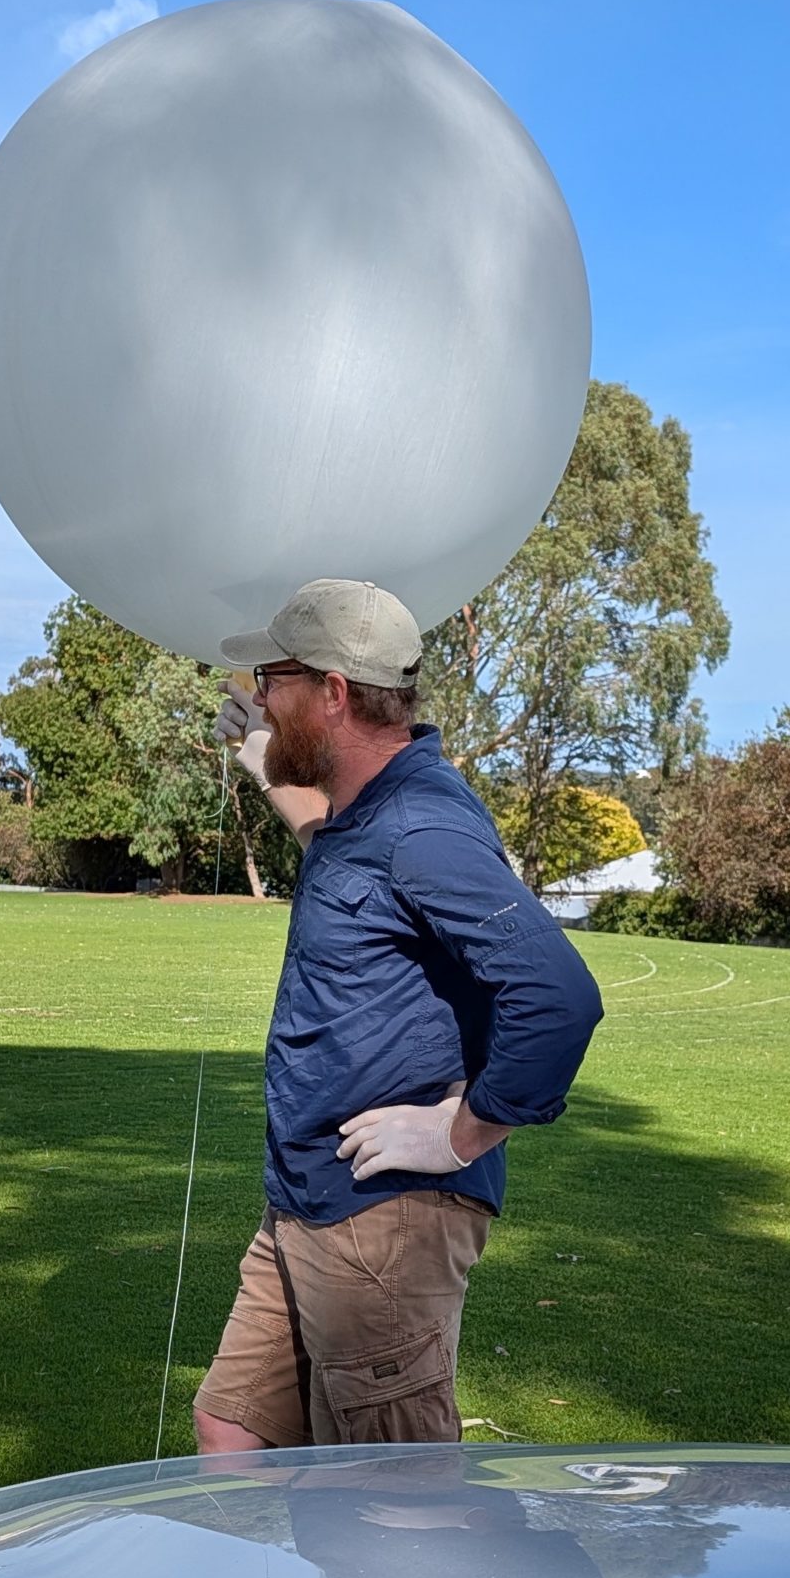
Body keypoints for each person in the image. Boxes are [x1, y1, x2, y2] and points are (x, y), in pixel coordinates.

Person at [194, 577, 604, 1454]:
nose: (258, 698)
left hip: (383, 1220)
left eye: (274, 681)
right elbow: (340, 858)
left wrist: (458, 1136)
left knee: (391, 1498)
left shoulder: (422, 825)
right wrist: (265, 759)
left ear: (333, 693)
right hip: (308, 1194)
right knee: (232, 1429)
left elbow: (558, 997)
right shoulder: (370, 811)